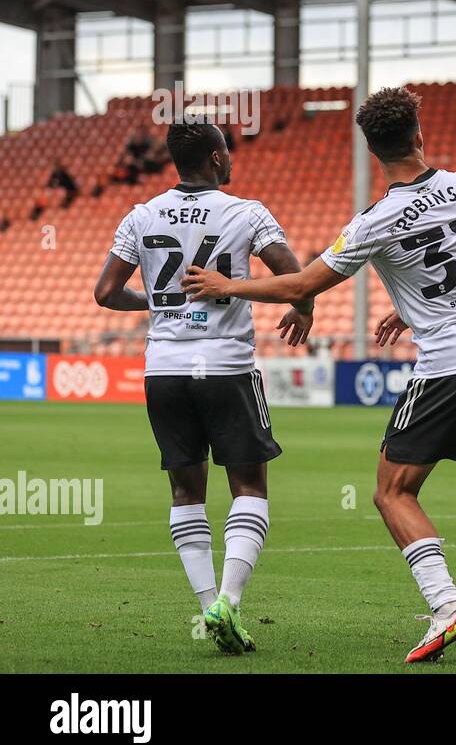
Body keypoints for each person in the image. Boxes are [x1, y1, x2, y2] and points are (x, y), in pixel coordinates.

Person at [182, 87, 456, 661]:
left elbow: (301, 285)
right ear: (420, 136)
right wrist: (413, 306)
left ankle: (447, 607)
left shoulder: (373, 222)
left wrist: (226, 284)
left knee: (392, 492)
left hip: (450, 366)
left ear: (372, 150)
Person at [93, 119, 314, 655]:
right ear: (216, 158)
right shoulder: (246, 212)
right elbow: (294, 273)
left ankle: (207, 605)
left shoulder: (141, 215)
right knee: (250, 487)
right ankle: (229, 602)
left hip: (163, 370)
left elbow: (105, 292)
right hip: (226, 367)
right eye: (227, 152)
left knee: (185, 491)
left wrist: (164, 303)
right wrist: (302, 307)